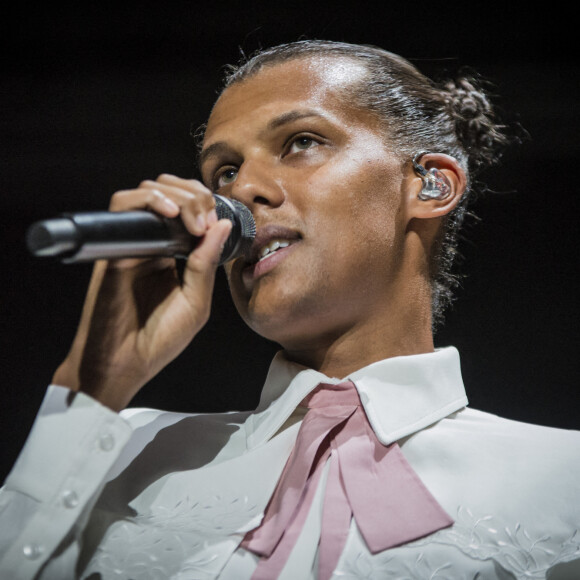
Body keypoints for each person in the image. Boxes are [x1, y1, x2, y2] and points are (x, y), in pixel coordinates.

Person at [1, 40, 579, 579]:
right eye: (224, 171)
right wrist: (91, 387)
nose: (243, 189)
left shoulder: (561, 479)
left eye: (301, 142)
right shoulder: (121, 447)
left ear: (430, 185)